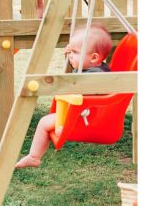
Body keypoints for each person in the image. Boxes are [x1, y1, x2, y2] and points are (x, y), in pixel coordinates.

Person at [15, 25, 112, 169]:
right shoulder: (97, 69)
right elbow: (79, 74)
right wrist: (71, 55)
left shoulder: (95, 76)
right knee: (48, 123)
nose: (70, 55)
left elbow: (82, 89)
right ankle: (35, 155)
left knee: (43, 123)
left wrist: (66, 125)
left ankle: (34, 157)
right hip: (81, 113)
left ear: (94, 57)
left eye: (75, 52)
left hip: (85, 117)